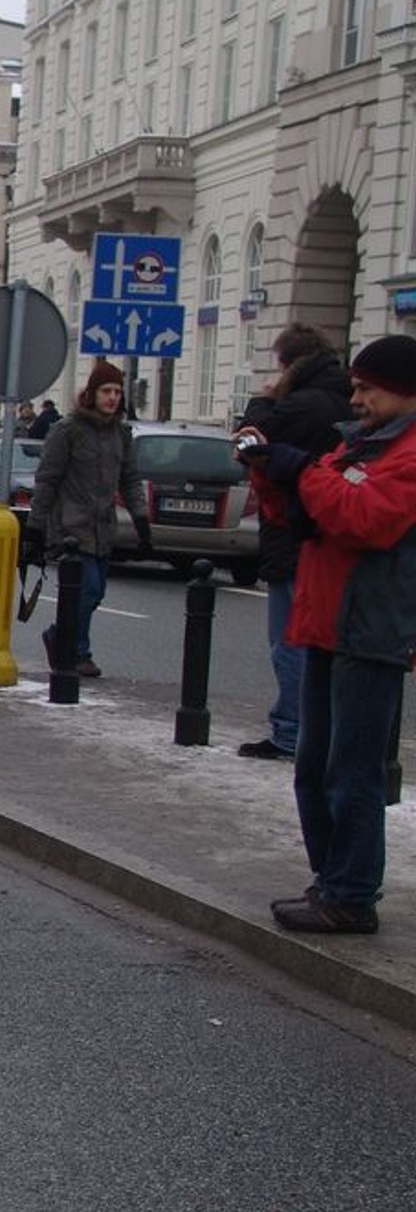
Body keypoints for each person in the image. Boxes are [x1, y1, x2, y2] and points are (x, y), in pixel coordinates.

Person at [238, 334, 416, 935]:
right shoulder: (357, 446)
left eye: (367, 387)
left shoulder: (409, 456)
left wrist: (303, 470)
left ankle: (351, 893)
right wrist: (269, 476)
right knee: (313, 769)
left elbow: (362, 519)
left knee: (353, 771)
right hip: (324, 625)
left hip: (369, 633)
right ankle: (330, 880)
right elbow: (310, 515)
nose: (356, 396)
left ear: (403, 391)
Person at [234, 323, 348, 761]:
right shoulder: (343, 398)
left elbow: (250, 438)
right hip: (330, 532)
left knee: (289, 637)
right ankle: (315, 730)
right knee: (322, 639)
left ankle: (291, 731)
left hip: (293, 530)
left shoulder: (299, 406)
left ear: (288, 364)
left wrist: (264, 398)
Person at [23, 358, 151, 678]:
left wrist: (141, 520)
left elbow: (131, 479)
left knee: (96, 592)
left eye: (118, 392)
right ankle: (77, 650)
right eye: (107, 391)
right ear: (91, 393)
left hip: (102, 528)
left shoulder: (121, 434)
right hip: (71, 528)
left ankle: (61, 637)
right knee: (87, 588)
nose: (112, 398)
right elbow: (47, 480)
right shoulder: (67, 430)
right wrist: (35, 529)